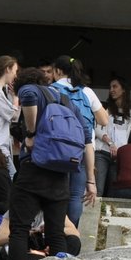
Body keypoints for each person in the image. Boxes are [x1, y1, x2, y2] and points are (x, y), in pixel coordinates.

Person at [6, 67, 72, 260]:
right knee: (56, 235)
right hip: (61, 173)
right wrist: (90, 179)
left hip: (34, 170)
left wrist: (31, 134)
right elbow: (85, 134)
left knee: (19, 230)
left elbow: (29, 96)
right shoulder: (63, 98)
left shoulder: (29, 90)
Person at [50, 55, 105, 223]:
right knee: (75, 195)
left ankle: (57, 232)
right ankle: (72, 233)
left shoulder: (52, 89)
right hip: (83, 149)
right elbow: (104, 120)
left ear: (58, 71)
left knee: (58, 194)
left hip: (58, 149)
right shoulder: (87, 91)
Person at [96, 76, 131, 197]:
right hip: (102, 152)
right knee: (98, 189)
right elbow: (97, 129)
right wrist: (110, 144)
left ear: (124, 90)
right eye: (110, 87)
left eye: (115, 86)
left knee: (114, 190)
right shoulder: (105, 109)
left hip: (121, 156)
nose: (111, 90)